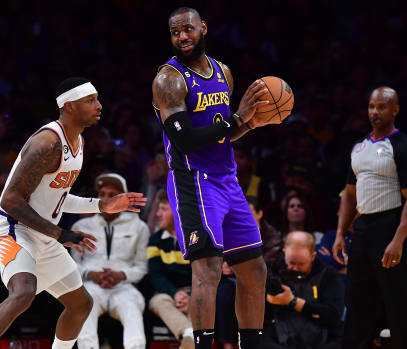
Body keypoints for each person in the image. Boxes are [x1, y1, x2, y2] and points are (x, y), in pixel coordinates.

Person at [0, 77, 146, 349]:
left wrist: (101, 205)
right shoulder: (46, 143)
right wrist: (60, 233)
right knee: (23, 293)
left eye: (97, 99)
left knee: (81, 304)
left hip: (43, 233)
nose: (99, 106)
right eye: (90, 100)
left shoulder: (79, 142)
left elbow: (57, 199)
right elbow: (10, 200)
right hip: (12, 229)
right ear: (69, 106)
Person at [151, 7, 270, 348]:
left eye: (188, 29)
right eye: (175, 32)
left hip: (228, 181)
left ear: (203, 28)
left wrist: (247, 124)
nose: (182, 37)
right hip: (194, 181)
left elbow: (222, 133)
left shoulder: (223, 72)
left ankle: (252, 343)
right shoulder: (168, 79)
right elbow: (185, 139)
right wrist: (236, 120)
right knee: (209, 269)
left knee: (254, 269)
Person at [333, 86, 407, 349]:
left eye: (382, 106)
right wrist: (340, 234)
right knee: (357, 297)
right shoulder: (359, 147)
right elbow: (349, 195)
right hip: (362, 228)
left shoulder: (404, 147)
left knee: (397, 298)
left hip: (391, 226)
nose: (375, 111)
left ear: (395, 110)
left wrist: (398, 240)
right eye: (372, 106)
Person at [70, 173, 150, 349]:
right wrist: (90, 274)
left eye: (112, 195)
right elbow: (71, 265)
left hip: (123, 285)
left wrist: (121, 275)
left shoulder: (139, 227)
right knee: (83, 304)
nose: (106, 199)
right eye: (102, 194)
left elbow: (141, 267)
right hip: (90, 284)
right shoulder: (81, 227)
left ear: (123, 198)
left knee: (132, 307)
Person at [264, 231, 345, 349]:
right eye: (291, 263)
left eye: (301, 264)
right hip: (280, 336)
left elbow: (333, 315)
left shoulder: (328, 275)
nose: (295, 268)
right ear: (284, 251)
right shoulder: (272, 272)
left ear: (313, 256)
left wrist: (294, 302)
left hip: (320, 338)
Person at [147, 189, 194, 349]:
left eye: (163, 209)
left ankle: (190, 337)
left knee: (202, 302)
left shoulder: (195, 238)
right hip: (167, 293)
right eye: (158, 209)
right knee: (157, 301)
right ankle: (188, 332)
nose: (157, 214)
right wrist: (175, 294)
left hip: (195, 292)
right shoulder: (155, 240)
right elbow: (156, 276)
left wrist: (188, 296)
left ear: (177, 212)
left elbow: (203, 275)